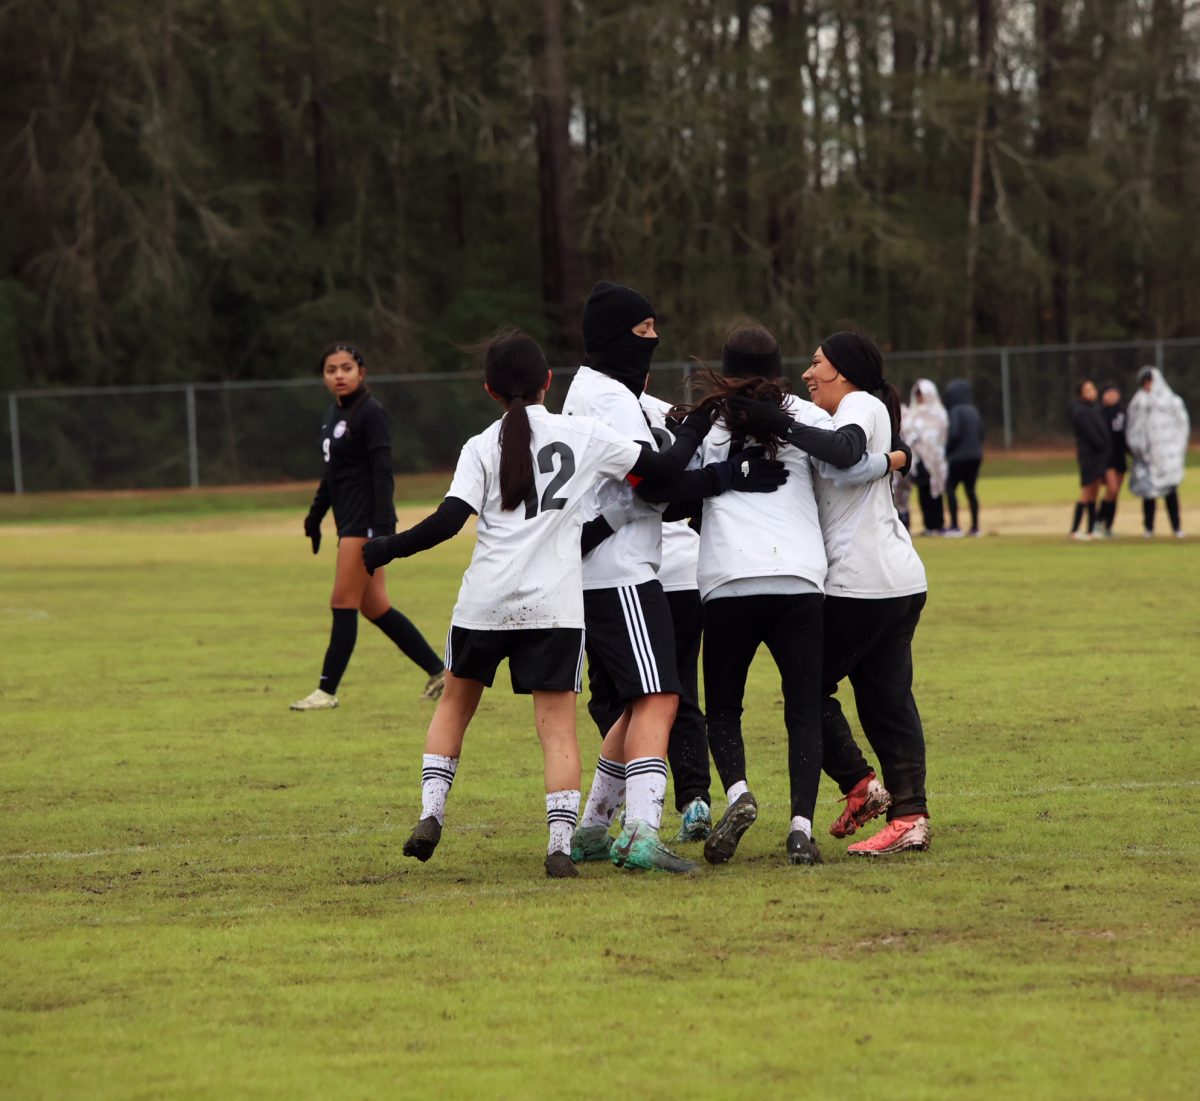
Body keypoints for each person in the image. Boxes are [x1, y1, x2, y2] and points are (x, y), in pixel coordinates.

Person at [360, 330, 711, 877]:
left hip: (484, 600)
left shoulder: (480, 445)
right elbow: (660, 474)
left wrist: (387, 548)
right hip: (555, 606)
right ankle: (559, 848)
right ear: (549, 382)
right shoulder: (585, 433)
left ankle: (431, 813)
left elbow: (449, 521)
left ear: (488, 390)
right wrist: (690, 432)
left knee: (454, 706)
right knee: (557, 730)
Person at [643, 324, 907, 868]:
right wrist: (892, 459)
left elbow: (668, 500)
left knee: (723, 708)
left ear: (726, 366)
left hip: (726, 579)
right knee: (803, 709)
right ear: (778, 367)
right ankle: (799, 830)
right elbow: (845, 460)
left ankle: (739, 795)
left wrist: (721, 475)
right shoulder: (806, 415)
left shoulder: (708, 419)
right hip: (799, 579)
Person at [564, 280, 720, 874]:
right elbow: (652, 481)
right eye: (642, 330)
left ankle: (595, 829)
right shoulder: (606, 395)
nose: (653, 341)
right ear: (612, 335)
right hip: (620, 572)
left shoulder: (601, 389)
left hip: (610, 568)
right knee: (661, 696)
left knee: (635, 705)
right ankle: (641, 833)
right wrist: (694, 441)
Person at [785, 331, 931, 856]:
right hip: (896, 581)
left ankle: (860, 785)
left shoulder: (860, 404)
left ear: (843, 371)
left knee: (805, 692)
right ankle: (909, 818)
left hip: (861, 585)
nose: (807, 373)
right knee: (886, 700)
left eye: (816, 362)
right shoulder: (841, 412)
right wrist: (895, 458)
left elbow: (844, 458)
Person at [583, 387, 715, 845]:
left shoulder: (595, 410)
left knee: (628, 699)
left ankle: (627, 819)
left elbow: (657, 485)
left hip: (630, 574)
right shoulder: (662, 411)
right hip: (679, 571)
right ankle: (692, 799)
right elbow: (688, 487)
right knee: (675, 693)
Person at [291, 343, 445, 711]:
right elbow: (332, 476)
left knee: (342, 601)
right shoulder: (332, 415)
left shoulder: (371, 412)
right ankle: (440, 671)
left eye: (346, 367)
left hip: (365, 524)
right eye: (331, 370)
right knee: (375, 606)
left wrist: (382, 527)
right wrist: (315, 516)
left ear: (362, 371)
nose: (339, 375)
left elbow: (382, 471)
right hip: (347, 521)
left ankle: (326, 691)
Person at [1127, 366, 1190, 538]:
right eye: (1145, 383)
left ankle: (1176, 527)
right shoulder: (1138, 402)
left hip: (1167, 457)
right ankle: (1148, 527)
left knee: (1170, 492)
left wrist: (1175, 449)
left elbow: (1181, 425)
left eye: (1150, 382)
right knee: (1148, 493)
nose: (1148, 386)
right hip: (1147, 457)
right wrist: (1138, 448)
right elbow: (1133, 428)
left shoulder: (1171, 401)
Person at [1068, 378, 1110, 541]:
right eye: (1087, 390)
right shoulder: (1080, 411)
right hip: (1088, 456)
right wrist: (1102, 445)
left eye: (1093, 389)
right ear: (1080, 395)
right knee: (1086, 493)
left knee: (1094, 492)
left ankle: (1091, 529)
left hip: (1099, 456)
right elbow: (1091, 434)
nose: (1092, 392)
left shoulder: (1096, 409)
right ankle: (1074, 530)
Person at [942, 378, 985, 537]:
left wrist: (947, 451)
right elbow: (982, 432)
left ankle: (954, 525)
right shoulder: (974, 410)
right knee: (971, 490)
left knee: (950, 488)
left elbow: (954, 433)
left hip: (958, 457)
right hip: (976, 456)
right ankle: (975, 527)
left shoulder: (955, 411)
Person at [906, 379, 948, 535]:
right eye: (917, 394)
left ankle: (938, 523)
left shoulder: (939, 413)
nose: (919, 398)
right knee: (923, 491)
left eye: (921, 394)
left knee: (935, 491)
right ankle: (928, 525)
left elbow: (941, 435)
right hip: (919, 460)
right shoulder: (913, 413)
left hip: (935, 459)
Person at [1096, 380, 1127, 537]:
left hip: (1119, 456)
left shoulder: (1122, 413)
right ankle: (1097, 521)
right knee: (1111, 489)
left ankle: (1108, 526)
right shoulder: (1099, 413)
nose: (1113, 396)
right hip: (1106, 457)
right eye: (1109, 393)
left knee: (1116, 493)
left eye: (1115, 393)